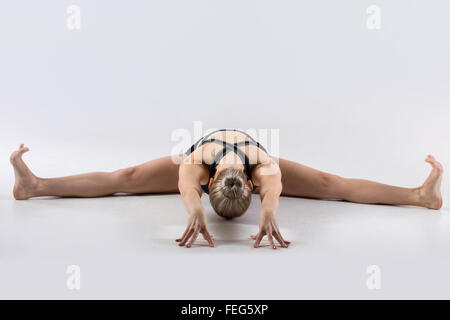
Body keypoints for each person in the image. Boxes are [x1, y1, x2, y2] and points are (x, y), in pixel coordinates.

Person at [10, 129, 443, 249]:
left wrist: (192, 210)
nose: (232, 173)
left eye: (200, 190)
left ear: (209, 182)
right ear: (250, 186)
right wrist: (271, 208)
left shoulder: (195, 167)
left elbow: (184, 186)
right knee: (332, 185)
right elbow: (272, 192)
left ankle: (36, 185)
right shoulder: (265, 171)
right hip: (256, 169)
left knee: (126, 179)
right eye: (259, 191)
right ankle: (417, 196)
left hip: (201, 161)